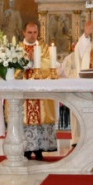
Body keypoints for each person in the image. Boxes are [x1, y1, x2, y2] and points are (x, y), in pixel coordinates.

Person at [17, 21, 58, 160]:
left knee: (41, 116)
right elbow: (14, 68)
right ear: (24, 32)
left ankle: (40, 148)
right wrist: (26, 62)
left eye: (35, 32)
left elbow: (49, 64)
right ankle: (26, 149)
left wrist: (36, 60)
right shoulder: (17, 48)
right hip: (23, 90)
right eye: (29, 32)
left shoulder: (44, 47)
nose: (32, 35)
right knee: (23, 117)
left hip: (40, 90)